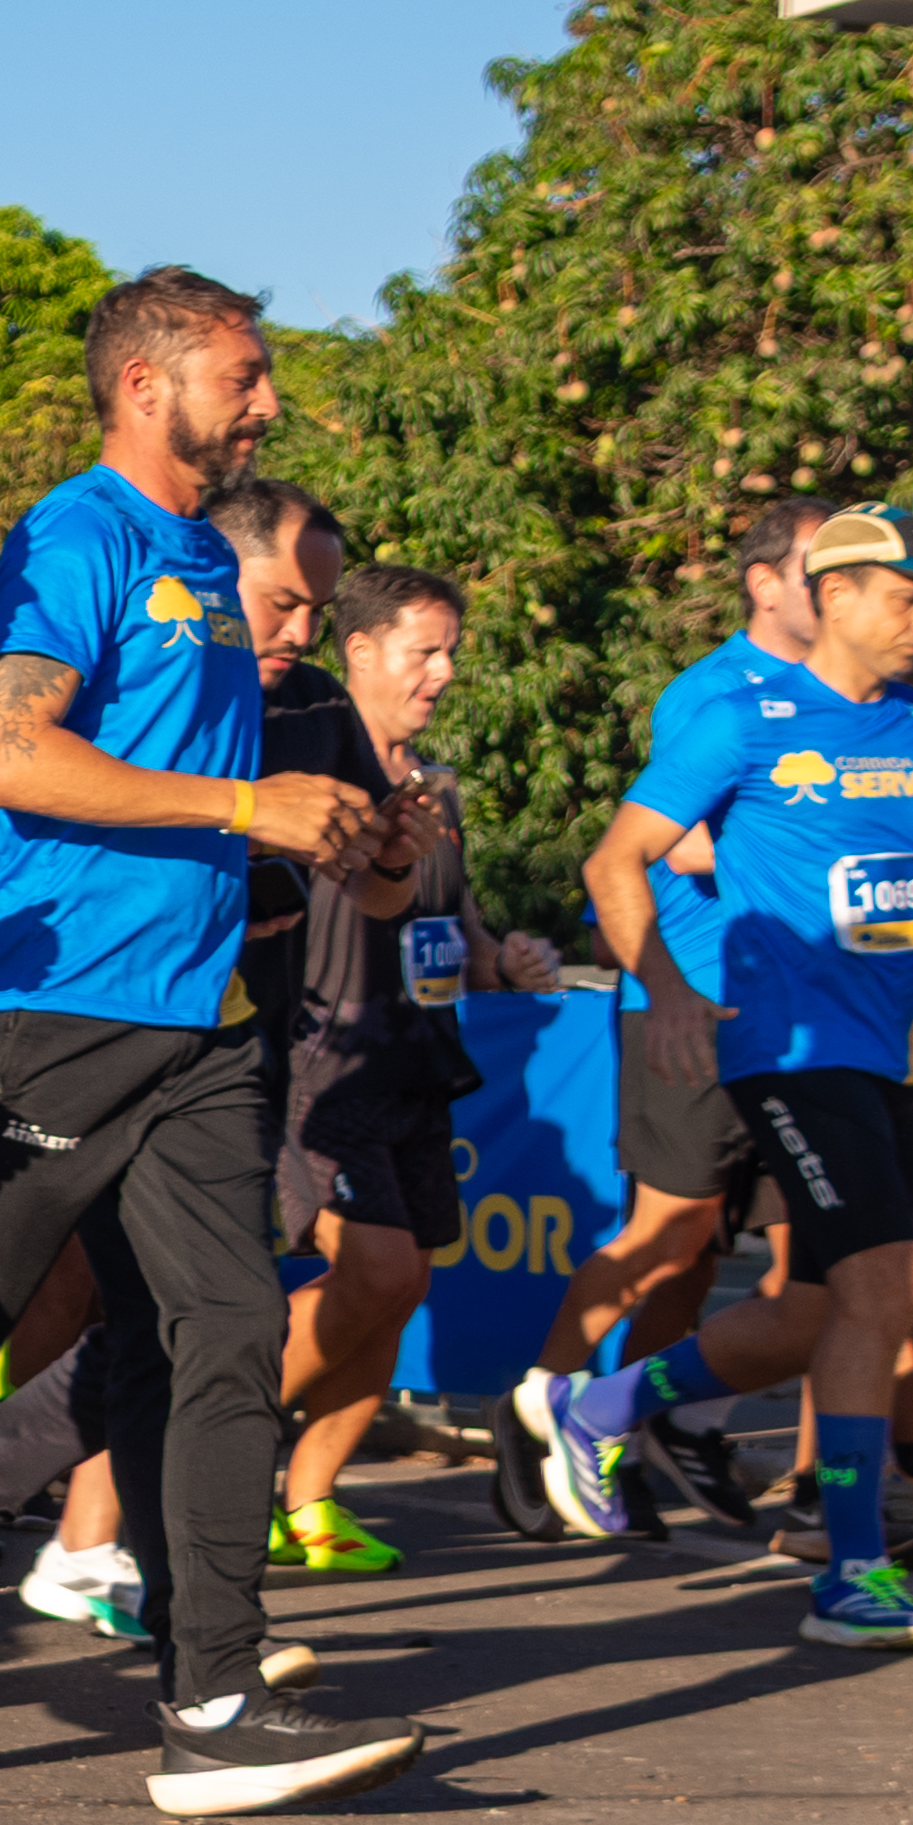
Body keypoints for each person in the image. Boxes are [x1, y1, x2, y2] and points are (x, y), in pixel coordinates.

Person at [0, 270, 425, 1817]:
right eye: (242, 378)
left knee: (217, 1331)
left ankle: (213, 1693)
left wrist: (341, 835)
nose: (266, 404)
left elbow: (187, 797)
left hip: (201, 1029)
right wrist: (250, 807)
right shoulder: (79, 534)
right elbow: (22, 751)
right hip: (48, 1022)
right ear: (147, 386)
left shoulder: (201, 560)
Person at [524, 506, 913, 1654]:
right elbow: (615, 858)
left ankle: (601, 1405)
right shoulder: (740, 721)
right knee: (885, 1287)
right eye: (907, 592)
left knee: (819, 1307)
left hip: (888, 1044)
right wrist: (672, 988)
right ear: (833, 597)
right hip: (783, 1046)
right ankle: (851, 1570)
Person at [272, 566, 557, 1558]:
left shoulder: (437, 787)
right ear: (359, 651)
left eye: (450, 653)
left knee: (402, 1285)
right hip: (324, 1059)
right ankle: (194, 1437)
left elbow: (459, 928)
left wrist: (507, 959)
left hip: (418, 1062)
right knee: (377, 1269)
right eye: (422, 651)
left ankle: (308, 1500)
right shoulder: (307, 771)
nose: (442, 673)